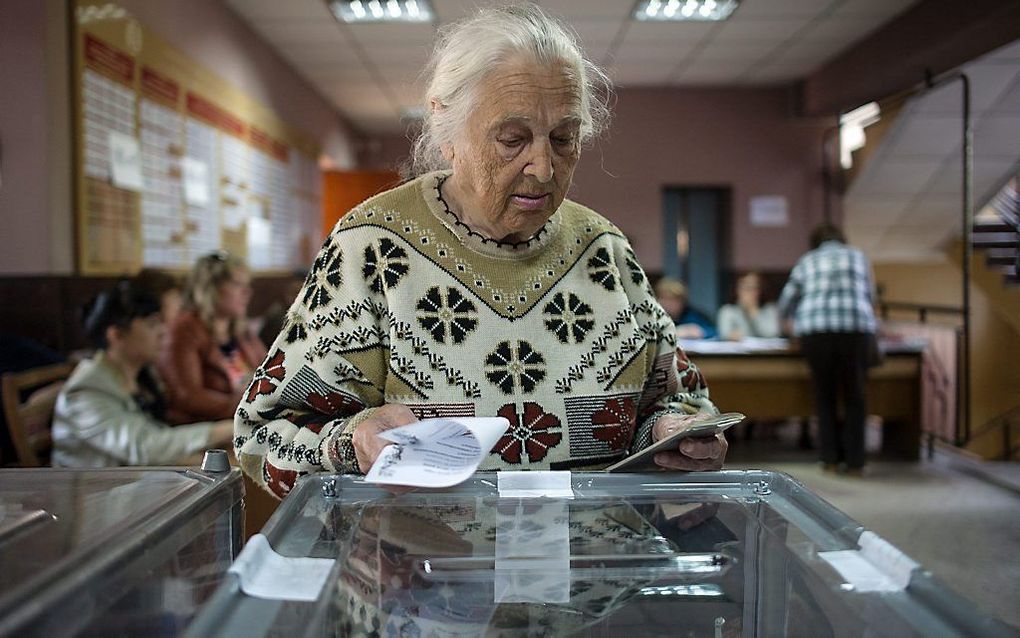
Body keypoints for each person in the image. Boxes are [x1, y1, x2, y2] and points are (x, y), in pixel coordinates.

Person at [234, 4, 726, 499]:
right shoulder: (369, 250)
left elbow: (681, 404)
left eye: (563, 139)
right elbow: (261, 435)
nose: (543, 168)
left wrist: (671, 437)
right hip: (423, 567)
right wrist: (347, 442)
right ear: (447, 131)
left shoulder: (606, 252)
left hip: (591, 562)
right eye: (512, 139)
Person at [52, 282, 233, 467]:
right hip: (97, 492)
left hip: (138, 484)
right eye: (152, 324)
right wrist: (227, 429)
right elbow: (143, 447)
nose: (163, 332)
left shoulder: (141, 376)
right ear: (116, 335)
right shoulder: (87, 392)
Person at [777, 223, 877, 475]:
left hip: (816, 330)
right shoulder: (858, 257)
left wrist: (786, 324)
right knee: (855, 396)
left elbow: (787, 298)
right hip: (855, 328)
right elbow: (870, 297)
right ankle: (855, 462)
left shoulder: (807, 260)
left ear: (816, 241)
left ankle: (829, 459)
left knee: (825, 395)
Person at [159, 252, 267, 424]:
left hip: (249, 423)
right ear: (210, 287)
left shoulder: (241, 330)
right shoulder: (183, 330)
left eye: (247, 285)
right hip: (209, 432)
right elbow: (187, 397)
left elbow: (273, 373)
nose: (247, 292)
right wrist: (247, 406)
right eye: (237, 284)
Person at [716, 271, 780, 341]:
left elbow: (773, 334)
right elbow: (724, 334)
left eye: (755, 288)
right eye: (747, 288)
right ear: (737, 290)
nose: (751, 292)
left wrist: (754, 312)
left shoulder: (769, 309)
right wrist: (731, 336)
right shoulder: (728, 310)